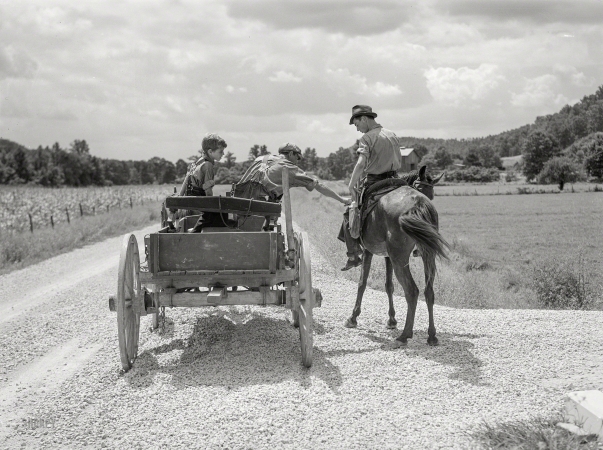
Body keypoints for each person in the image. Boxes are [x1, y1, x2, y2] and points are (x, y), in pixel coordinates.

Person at [337, 105, 403, 271]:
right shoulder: (392, 134)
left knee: (349, 213)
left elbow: (361, 164)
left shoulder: (367, 138)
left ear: (364, 119)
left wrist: (352, 184)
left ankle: (353, 255)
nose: (357, 129)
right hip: (396, 179)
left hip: (375, 181)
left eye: (357, 124)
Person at [234, 142, 350, 205]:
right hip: (258, 205)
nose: (297, 161)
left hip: (237, 199)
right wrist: (341, 199)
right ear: (290, 154)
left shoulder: (260, 158)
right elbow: (317, 185)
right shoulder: (288, 167)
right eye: (297, 157)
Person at [177, 133, 230, 232]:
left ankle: (205, 231)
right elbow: (208, 191)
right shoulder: (208, 165)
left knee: (217, 212)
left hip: (192, 197)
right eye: (221, 151)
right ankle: (196, 232)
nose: (223, 154)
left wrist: (180, 199)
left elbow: (186, 180)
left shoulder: (199, 162)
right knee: (220, 212)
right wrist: (212, 205)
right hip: (198, 199)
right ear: (210, 151)